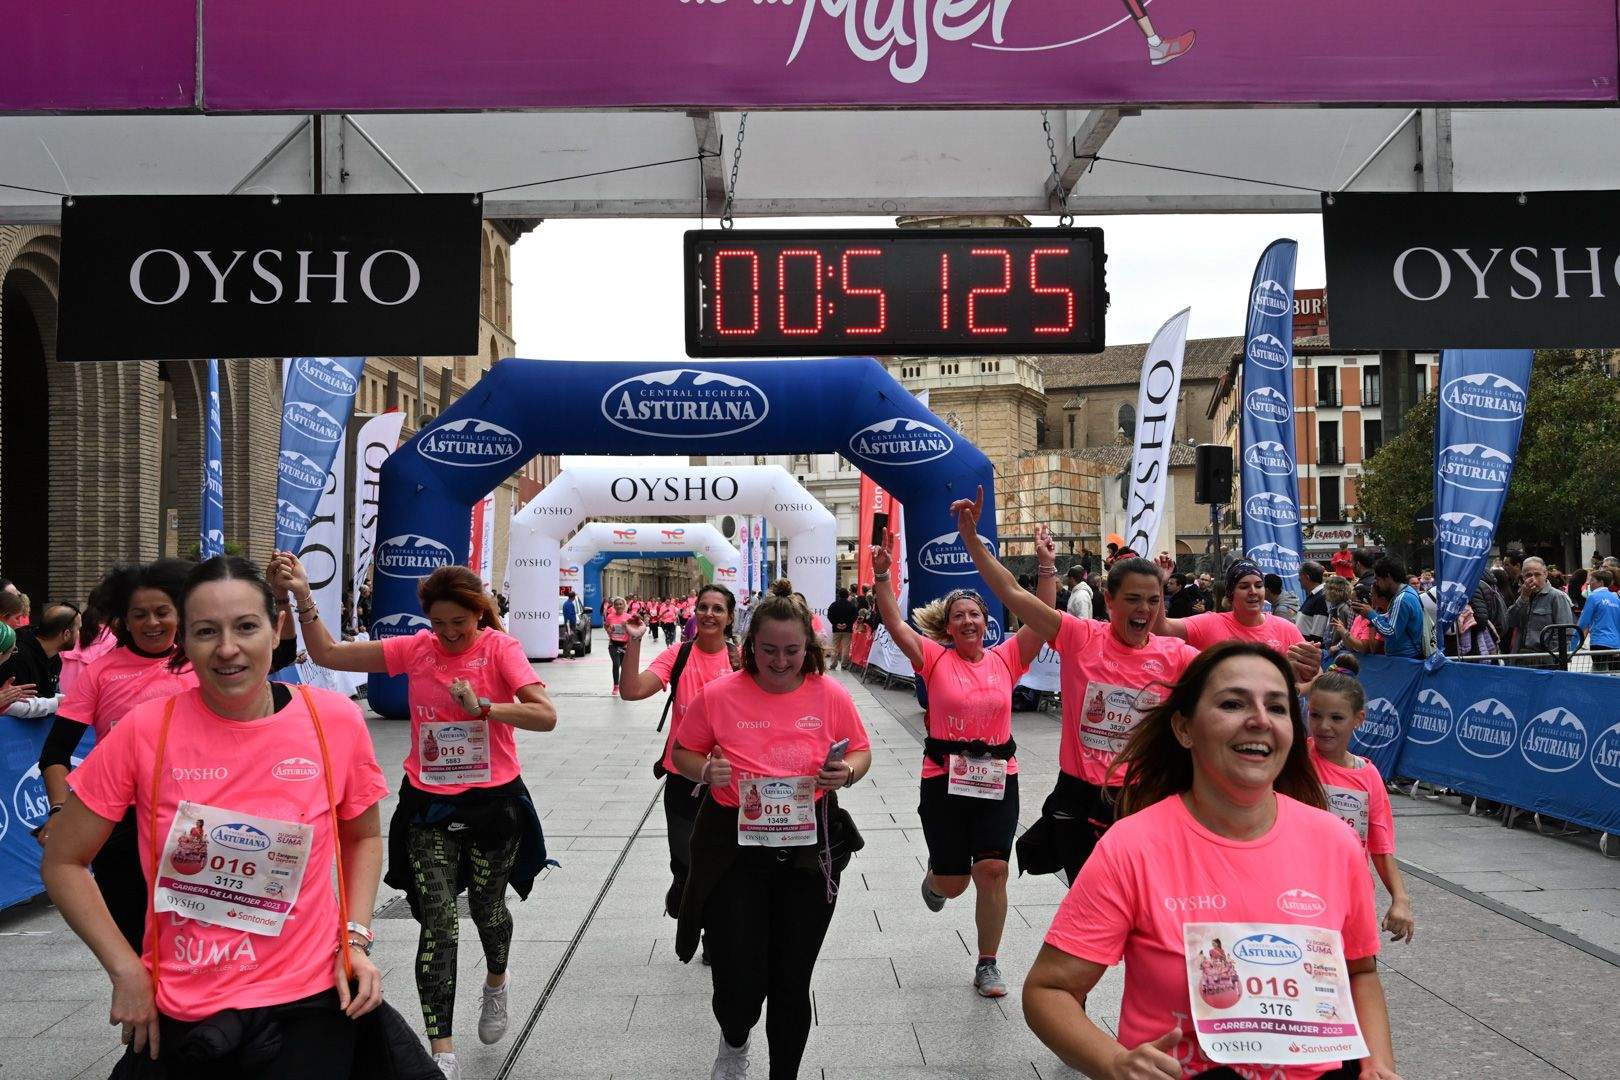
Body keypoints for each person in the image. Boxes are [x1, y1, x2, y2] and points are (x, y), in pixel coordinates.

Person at [41, 556, 391, 1078]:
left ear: (276, 628)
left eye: (246, 626)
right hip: (189, 1005)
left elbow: (362, 837)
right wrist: (125, 970)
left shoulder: (333, 720)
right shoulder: (145, 730)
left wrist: (355, 939)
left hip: (310, 999)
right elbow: (63, 861)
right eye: (206, 631)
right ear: (184, 640)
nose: (227, 649)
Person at [1023, 641, 1402, 1080]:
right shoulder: (1131, 847)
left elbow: (1360, 972)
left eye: (1277, 708)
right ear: (1184, 728)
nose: (1260, 720)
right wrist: (1114, 1063)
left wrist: (1378, 1065)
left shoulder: (1337, 843)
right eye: (1232, 703)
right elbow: (1049, 989)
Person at [273, 555, 556, 1080]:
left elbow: (545, 715)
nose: (448, 634)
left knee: (489, 913)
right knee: (439, 925)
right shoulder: (416, 649)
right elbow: (329, 653)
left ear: (480, 614)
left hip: (493, 804)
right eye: (438, 623)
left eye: (459, 623)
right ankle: (441, 1053)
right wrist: (302, 596)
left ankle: (496, 981)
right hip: (429, 805)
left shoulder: (501, 649)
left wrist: (485, 708)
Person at [948, 488, 1201, 885]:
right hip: (1079, 798)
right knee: (1090, 895)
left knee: (1139, 898)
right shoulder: (1079, 636)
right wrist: (971, 540)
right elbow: (1012, 592)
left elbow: (1231, 680)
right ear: (1109, 600)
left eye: (1153, 601)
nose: (1144, 610)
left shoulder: (1177, 655)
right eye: (1134, 599)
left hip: (1143, 796)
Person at [671, 580, 872, 1080]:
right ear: (749, 646)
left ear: (808, 648)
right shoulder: (719, 695)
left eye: (791, 651)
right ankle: (734, 1038)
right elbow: (682, 752)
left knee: (791, 979)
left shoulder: (829, 694)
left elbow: (860, 750)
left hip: (807, 852)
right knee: (738, 979)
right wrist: (705, 770)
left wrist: (846, 772)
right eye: (768, 650)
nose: (780, 662)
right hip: (735, 851)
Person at [868, 529, 1047, 999]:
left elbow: (1043, 618)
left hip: (998, 779)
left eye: (974, 614)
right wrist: (883, 576)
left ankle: (988, 963)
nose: (968, 620)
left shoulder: (1008, 658)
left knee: (992, 871)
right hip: (943, 779)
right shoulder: (933, 658)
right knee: (954, 884)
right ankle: (936, 879)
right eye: (958, 616)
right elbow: (894, 623)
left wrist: (1046, 566)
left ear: (987, 622)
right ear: (948, 627)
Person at [36, 561, 203, 951]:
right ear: (124, 620)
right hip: (119, 824)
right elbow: (55, 752)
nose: (152, 623)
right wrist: (59, 810)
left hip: (192, 819)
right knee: (135, 942)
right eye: (139, 614)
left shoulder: (201, 665)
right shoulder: (99, 673)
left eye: (162, 612)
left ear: (180, 613)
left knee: (197, 941)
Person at [619, 584, 740, 922]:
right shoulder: (679, 655)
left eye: (718, 609)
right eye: (703, 607)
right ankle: (685, 893)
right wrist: (634, 640)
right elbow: (631, 691)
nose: (709, 614)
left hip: (730, 780)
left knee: (728, 862)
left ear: (730, 617)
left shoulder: (741, 659)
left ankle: (716, 931)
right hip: (682, 777)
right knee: (686, 861)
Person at [1307, 670, 1415, 944]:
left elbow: (1380, 846)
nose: (1324, 726)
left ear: (1359, 719)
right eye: (1315, 715)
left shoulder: (1368, 775)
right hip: (1301, 894)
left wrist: (1400, 899)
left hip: (1351, 896)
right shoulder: (1293, 760)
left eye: (1337, 718)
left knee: (1361, 967)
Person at [1155, 559, 1319, 685]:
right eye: (1244, 586)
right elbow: (1161, 628)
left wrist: (1296, 686)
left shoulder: (1285, 629)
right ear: (1231, 594)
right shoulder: (1210, 623)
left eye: (1259, 585)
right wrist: (1158, 583)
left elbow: (1316, 675)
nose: (1253, 592)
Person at [1352, 558, 1426, 660]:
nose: (1377, 583)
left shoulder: (1402, 599)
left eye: (1378, 579)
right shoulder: (1407, 592)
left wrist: (1371, 614)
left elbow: (1390, 632)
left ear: (1388, 577)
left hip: (1404, 658)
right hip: (1407, 656)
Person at [1506, 556, 1576, 658]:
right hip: (1520, 657)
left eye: (1537, 574)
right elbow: (1510, 621)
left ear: (1545, 574)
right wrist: (1523, 598)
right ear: (1523, 577)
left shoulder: (1557, 597)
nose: (1533, 579)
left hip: (1545, 657)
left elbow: (1565, 632)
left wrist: (1550, 656)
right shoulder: (1522, 595)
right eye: (1528, 575)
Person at [1578, 568, 1620, 667]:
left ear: (1600, 582)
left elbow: (1583, 622)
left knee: (1599, 673)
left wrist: (1573, 645)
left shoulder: (1593, 597)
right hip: (1616, 643)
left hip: (1599, 642)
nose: (1589, 583)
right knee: (1616, 674)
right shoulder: (1616, 599)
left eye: (1592, 580)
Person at [1296, 560, 1330, 643]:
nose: (1298, 579)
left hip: (1309, 648)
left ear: (1307, 577)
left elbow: (1318, 633)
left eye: (1300, 576)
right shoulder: (1314, 595)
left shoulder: (1321, 597)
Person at [826, 586, 857, 671]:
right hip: (848, 629)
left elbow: (829, 616)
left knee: (835, 647)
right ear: (847, 595)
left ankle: (833, 664)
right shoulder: (851, 605)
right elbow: (855, 616)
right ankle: (844, 665)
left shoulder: (833, 605)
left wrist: (836, 624)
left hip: (836, 629)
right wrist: (847, 624)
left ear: (839, 595)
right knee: (846, 647)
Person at [605, 596, 631, 694]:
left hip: (624, 645)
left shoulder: (628, 617)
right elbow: (606, 627)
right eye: (616, 604)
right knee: (616, 664)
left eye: (620, 604)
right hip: (613, 644)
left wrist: (626, 627)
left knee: (624, 666)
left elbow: (633, 630)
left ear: (624, 605)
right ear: (614, 606)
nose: (619, 606)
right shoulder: (610, 616)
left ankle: (624, 685)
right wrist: (609, 630)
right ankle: (616, 686)